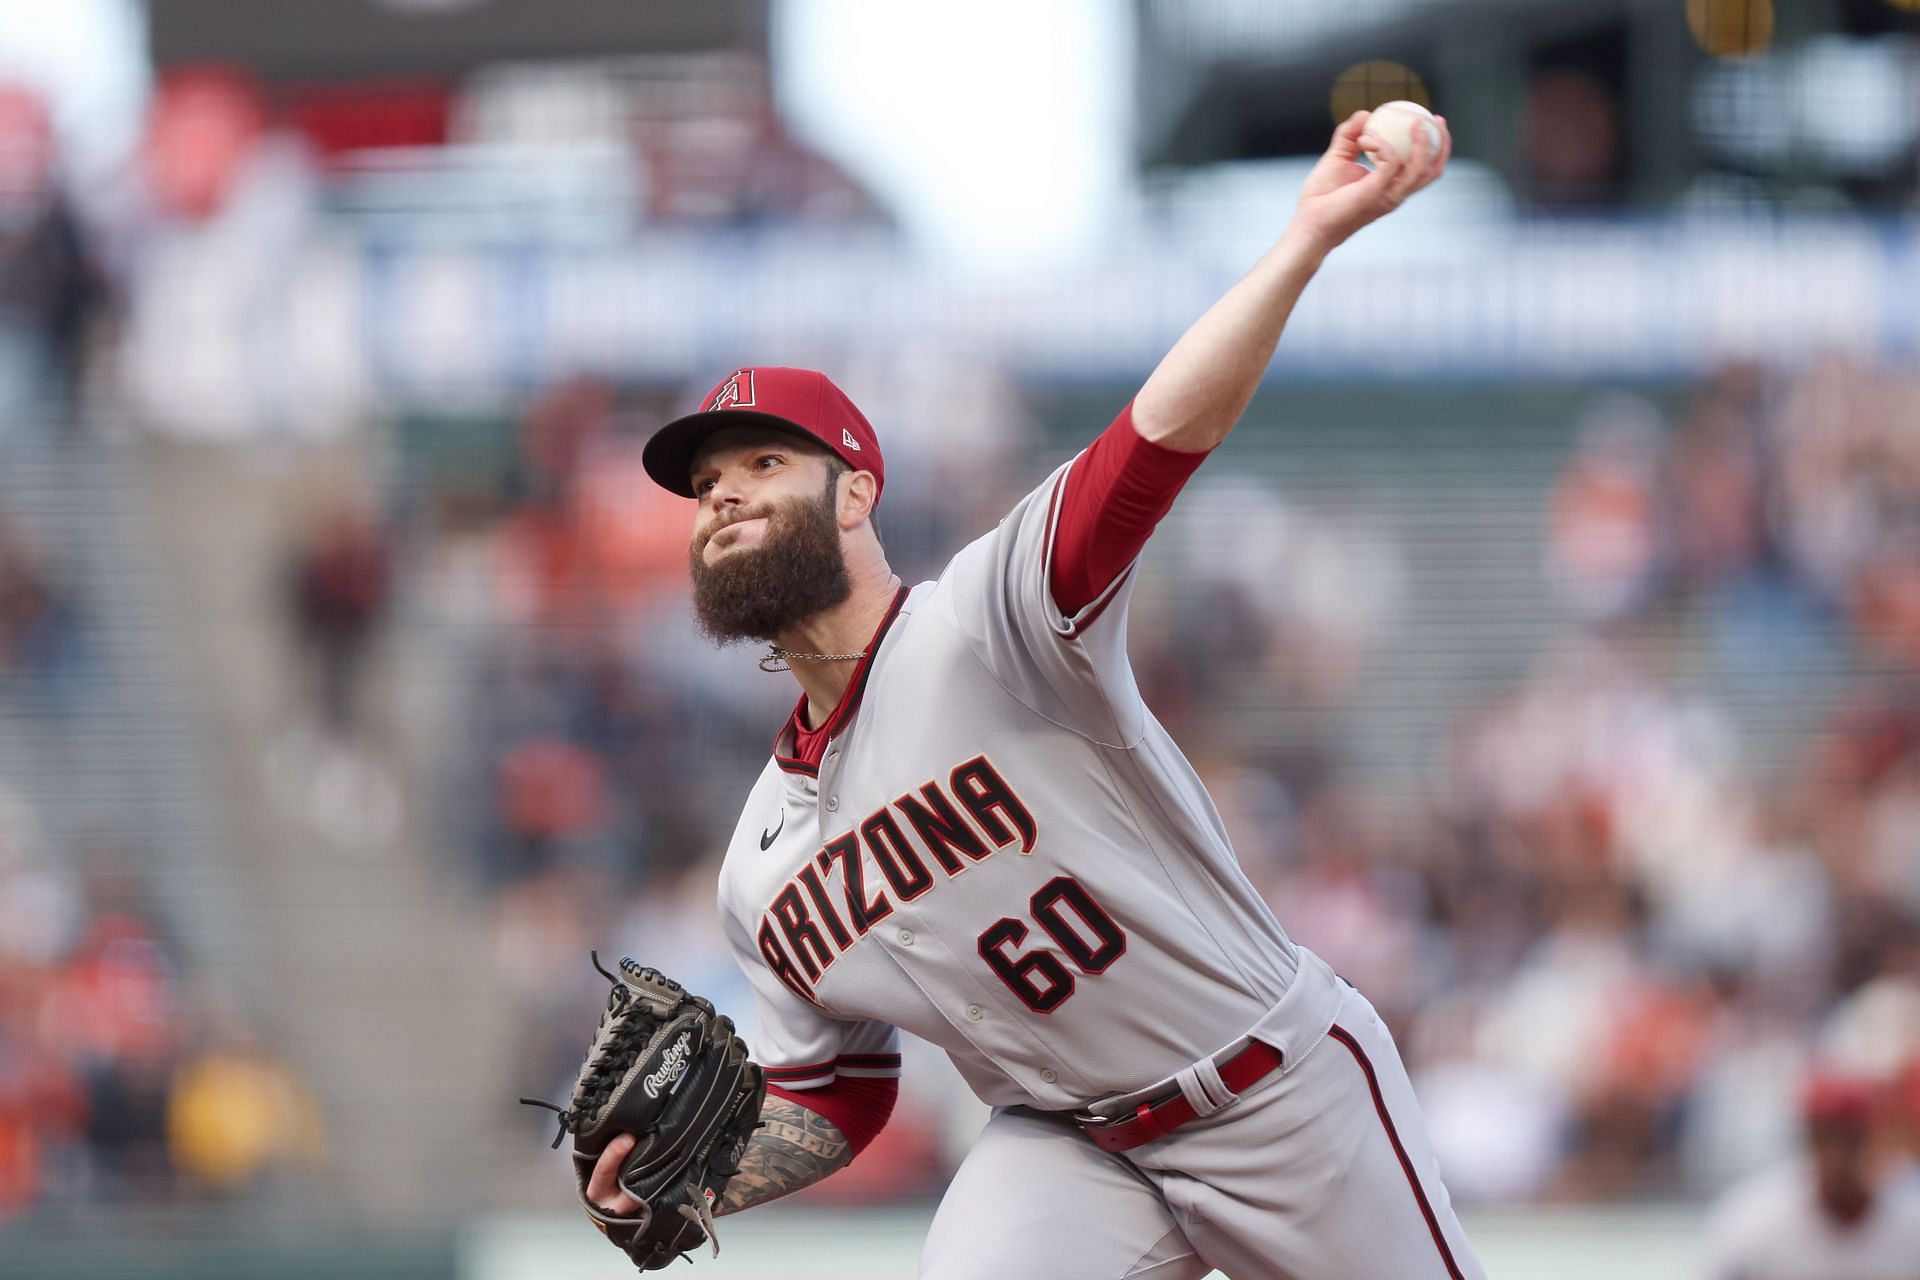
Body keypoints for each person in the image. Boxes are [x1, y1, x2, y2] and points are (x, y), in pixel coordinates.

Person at [588, 112, 1483, 1279]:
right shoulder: (756, 874)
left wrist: (1303, 242)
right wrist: (705, 1178)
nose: (723, 494)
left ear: (856, 493)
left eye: (765, 462)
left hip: (1273, 1089)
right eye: (705, 482)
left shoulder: (989, 621)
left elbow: (1157, 437)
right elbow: (834, 1088)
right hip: (1068, 1147)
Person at [1701, 1070, 1920, 1280]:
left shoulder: (1912, 1218)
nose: (1838, 1156)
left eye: (1852, 1139)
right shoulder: (1752, 1223)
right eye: (1826, 1138)